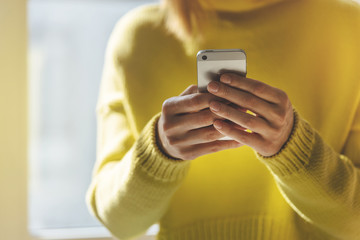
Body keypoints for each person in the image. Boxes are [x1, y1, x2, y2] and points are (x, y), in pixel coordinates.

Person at [86, 0, 360, 239]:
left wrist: (293, 147)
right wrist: (159, 152)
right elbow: (119, 223)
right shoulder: (137, 38)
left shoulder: (350, 25)